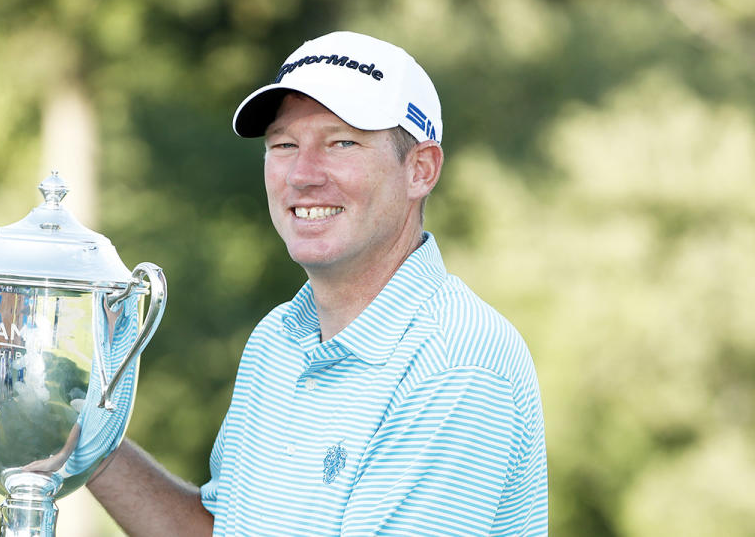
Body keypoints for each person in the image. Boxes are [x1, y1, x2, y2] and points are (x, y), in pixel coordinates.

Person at [88, 31, 548, 536]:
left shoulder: (459, 361)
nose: (303, 175)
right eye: (284, 144)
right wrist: (79, 434)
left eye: (341, 142)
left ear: (420, 170)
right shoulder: (276, 340)